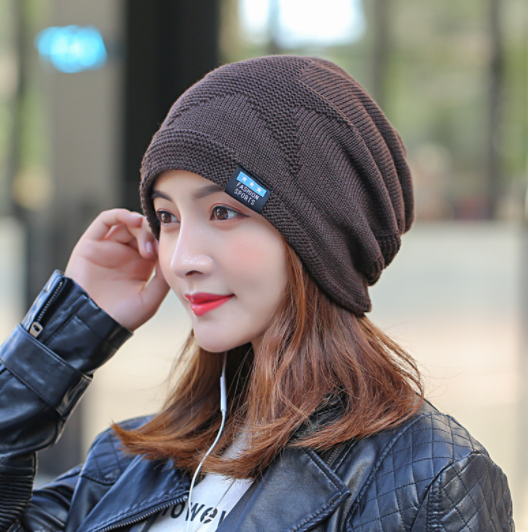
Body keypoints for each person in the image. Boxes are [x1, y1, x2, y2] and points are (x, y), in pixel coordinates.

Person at [0, 55, 513, 531]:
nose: (180, 259)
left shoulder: (429, 480)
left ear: (321, 237)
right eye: (167, 217)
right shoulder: (126, 463)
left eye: (223, 212)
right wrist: (65, 333)